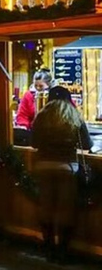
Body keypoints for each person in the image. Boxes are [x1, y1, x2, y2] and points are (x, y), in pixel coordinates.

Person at [32, 85, 92, 263]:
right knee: (66, 210)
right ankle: (63, 252)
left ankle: (49, 250)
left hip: (44, 166)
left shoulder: (41, 116)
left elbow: (34, 143)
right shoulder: (75, 116)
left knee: (46, 209)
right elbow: (87, 144)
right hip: (67, 167)